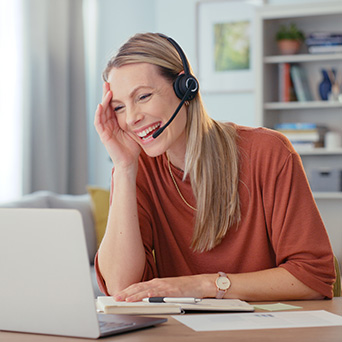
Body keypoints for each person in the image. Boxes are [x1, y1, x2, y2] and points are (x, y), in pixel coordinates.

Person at [94, 32, 336, 302]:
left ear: (184, 87)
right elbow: (119, 286)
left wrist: (203, 286)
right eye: (118, 107)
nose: (132, 118)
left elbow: (313, 278)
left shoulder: (268, 153)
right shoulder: (138, 169)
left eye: (143, 97)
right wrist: (124, 168)